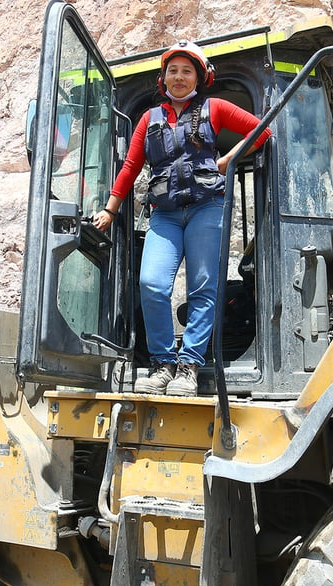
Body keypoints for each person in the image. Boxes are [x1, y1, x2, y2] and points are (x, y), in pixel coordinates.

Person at [93, 40, 271, 397]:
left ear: (199, 77)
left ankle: (188, 366)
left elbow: (261, 131)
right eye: (173, 70)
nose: (179, 77)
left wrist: (227, 160)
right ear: (164, 77)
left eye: (186, 71)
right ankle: (162, 364)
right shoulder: (149, 119)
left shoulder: (216, 107)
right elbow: (131, 166)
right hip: (166, 214)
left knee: (202, 288)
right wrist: (110, 209)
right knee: (153, 284)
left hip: (208, 208)